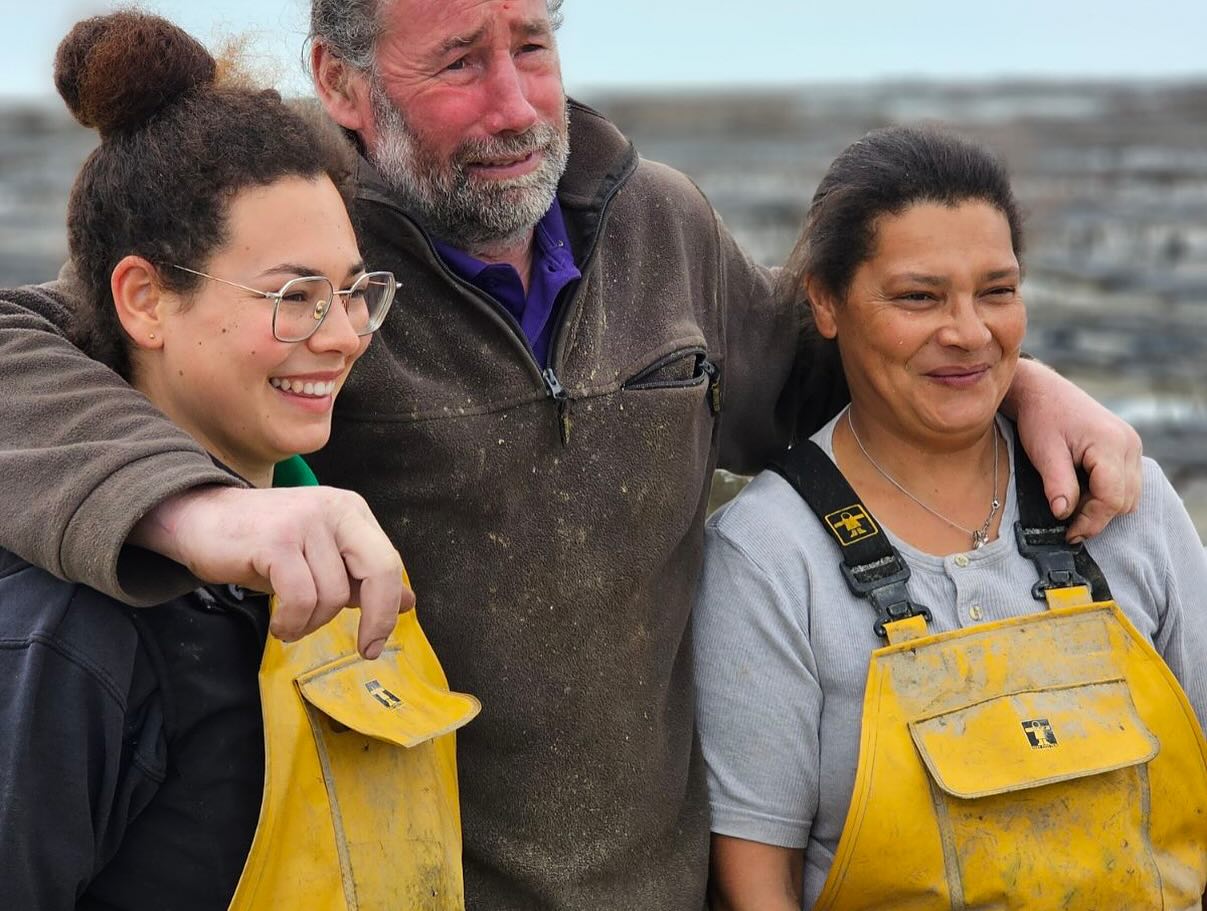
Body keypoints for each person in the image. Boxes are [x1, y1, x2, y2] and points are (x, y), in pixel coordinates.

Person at [0, 2, 1145, 907]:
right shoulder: (281, 227)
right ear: (341, 82)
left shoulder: (662, 225)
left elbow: (825, 374)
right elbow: (41, 344)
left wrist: (1016, 382)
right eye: (457, 61)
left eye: (533, 44)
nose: (515, 104)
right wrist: (194, 508)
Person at [0, 13, 478, 909]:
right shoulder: (68, 634)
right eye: (293, 295)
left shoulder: (335, 541)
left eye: (353, 292)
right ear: (144, 299)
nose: (340, 337)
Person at [693, 126, 1207, 911]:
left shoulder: (1128, 505)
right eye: (918, 296)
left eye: (996, 291)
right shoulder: (768, 554)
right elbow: (755, 879)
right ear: (825, 302)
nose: (968, 332)